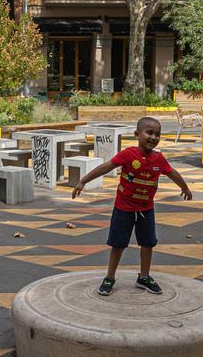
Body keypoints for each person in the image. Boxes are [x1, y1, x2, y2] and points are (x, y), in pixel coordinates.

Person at [71, 117, 193, 296]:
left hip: (146, 210)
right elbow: (107, 166)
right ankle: (110, 277)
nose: (153, 137)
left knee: (148, 243)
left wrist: (184, 187)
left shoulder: (159, 158)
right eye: (149, 133)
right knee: (118, 244)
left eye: (157, 134)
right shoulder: (128, 154)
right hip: (123, 209)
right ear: (137, 134)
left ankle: (144, 277)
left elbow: (172, 172)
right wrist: (83, 181)